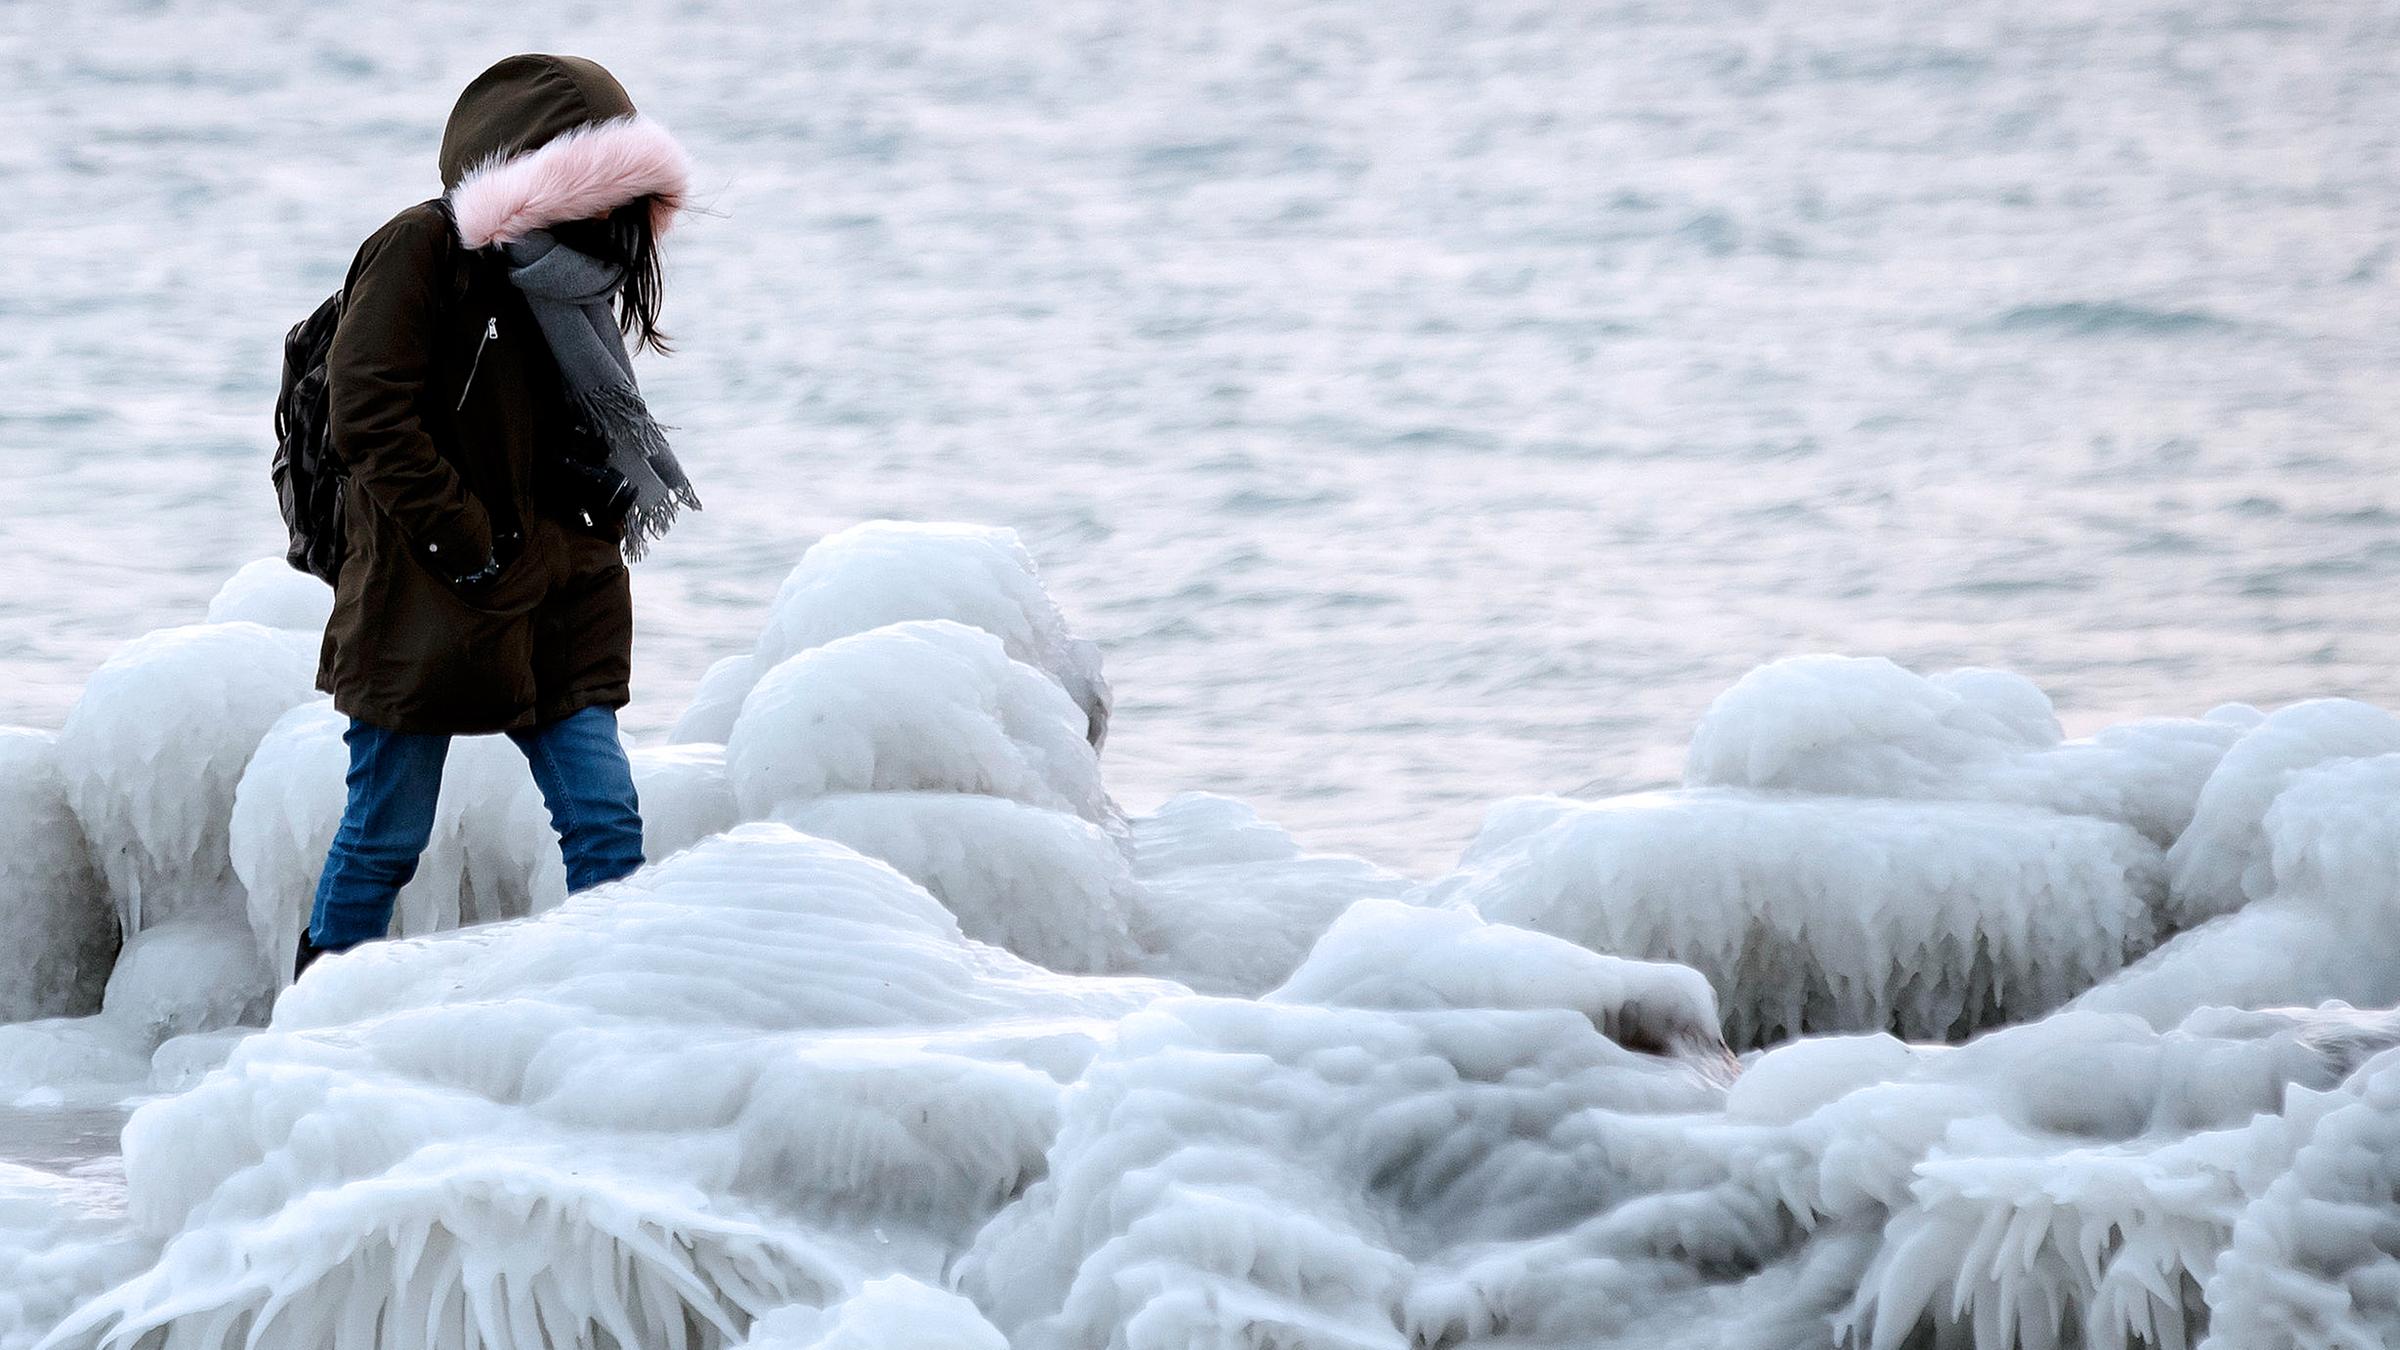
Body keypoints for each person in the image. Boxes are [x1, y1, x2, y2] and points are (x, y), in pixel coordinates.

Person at [300, 54, 700, 976]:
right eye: (595, 183)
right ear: (535, 172)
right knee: (385, 839)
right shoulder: (421, 250)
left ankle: (612, 1024)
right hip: (428, 593)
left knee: (605, 823)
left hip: (566, 588)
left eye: (627, 187)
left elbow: (567, 421)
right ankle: (308, 1039)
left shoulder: (584, 274)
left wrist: (593, 498)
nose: (612, 210)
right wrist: (466, 541)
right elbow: (366, 415)